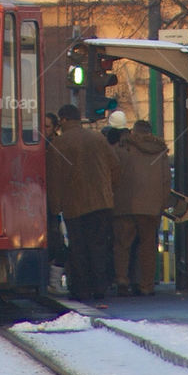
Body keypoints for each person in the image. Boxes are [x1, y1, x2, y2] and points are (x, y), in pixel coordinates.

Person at [48, 103, 120, 302]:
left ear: (63, 120)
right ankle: (100, 287)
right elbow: (115, 166)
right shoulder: (98, 138)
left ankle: (81, 289)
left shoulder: (58, 145)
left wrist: (55, 207)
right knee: (98, 246)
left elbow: (54, 179)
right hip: (102, 203)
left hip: (74, 205)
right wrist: (108, 189)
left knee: (78, 248)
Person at [112, 118, 171, 297]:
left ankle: (122, 278)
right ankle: (146, 285)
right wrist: (161, 203)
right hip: (151, 206)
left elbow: (113, 174)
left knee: (123, 244)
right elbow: (166, 181)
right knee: (148, 246)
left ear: (133, 131)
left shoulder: (123, 149)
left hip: (124, 204)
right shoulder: (160, 152)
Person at [44, 112, 67, 289]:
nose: (43, 130)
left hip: (54, 201)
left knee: (57, 242)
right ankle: (52, 281)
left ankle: (53, 281)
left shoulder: (57, 146)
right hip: (41, 201)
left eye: (47, 127)